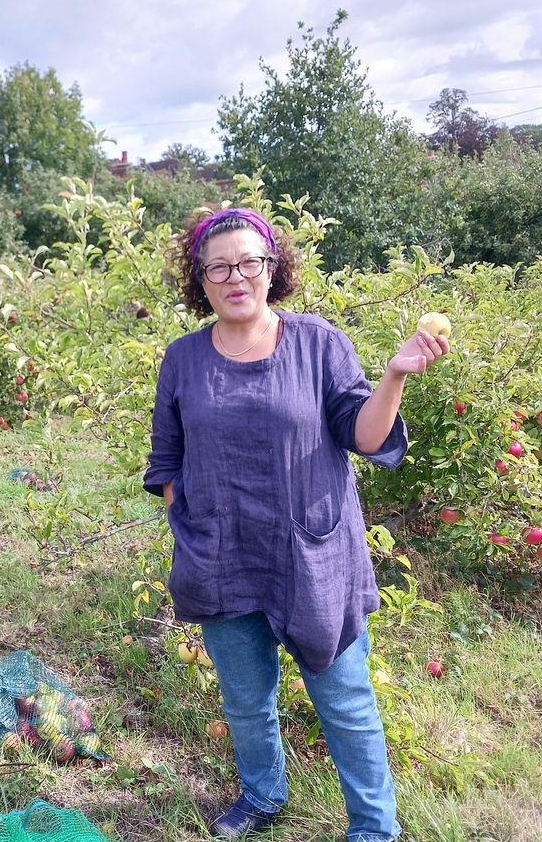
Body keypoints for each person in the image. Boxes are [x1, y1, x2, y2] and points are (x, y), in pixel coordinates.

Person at [143, 207, 449, 841]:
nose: (235, 277)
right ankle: (263, 795)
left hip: (312, 557)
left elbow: (365, 436)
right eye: (218, 267)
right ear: (199, 280)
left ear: (272, 268)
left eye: (249, 262)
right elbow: (166, 459)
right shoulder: (182, 360)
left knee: (344, 701)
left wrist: (393, 375)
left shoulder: (319, 343)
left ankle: (373, 829)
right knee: (246, 702)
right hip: (223, 556)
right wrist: (194, 526)